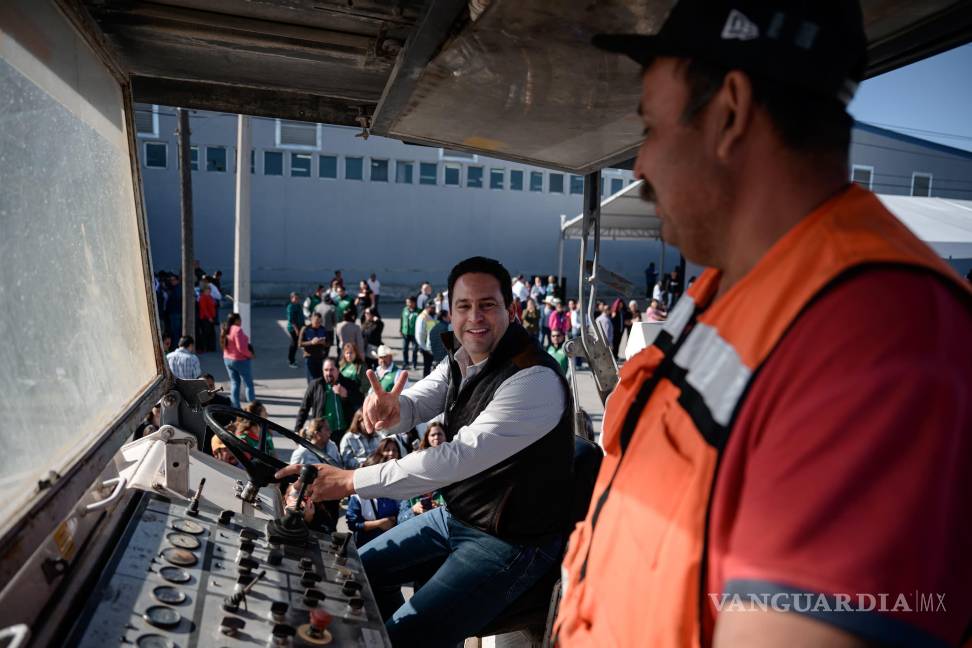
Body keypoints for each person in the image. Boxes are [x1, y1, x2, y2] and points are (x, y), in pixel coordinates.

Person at [555, 3, 972, 647]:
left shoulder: (878, 335)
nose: (639, 165)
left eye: (651, 129)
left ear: (730, 112)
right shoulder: (727, 288)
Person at [275, 256, 573, 646]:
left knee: (403, 637)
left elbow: (455, 458)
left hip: (512, 541)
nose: (474, 317)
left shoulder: (534, 379)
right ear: (450, 312)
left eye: (487, 305)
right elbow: (416, 404)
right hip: (459, 515)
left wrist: (351, 481)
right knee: (353, 572)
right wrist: (391, 411)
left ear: (512, 310)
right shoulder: (463, 359)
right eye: (464, 306)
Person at [345, 438, 401, 547]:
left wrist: (397, 519)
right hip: (367, 544)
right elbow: (353, 524)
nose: (391, 453)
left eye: (395, 450)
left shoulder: (396, 488)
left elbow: (403, 511)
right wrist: (379, 524)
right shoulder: (358, 496)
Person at [294, 357, 354, 444]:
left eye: (331, 370)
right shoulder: (315, 385)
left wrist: (346, 395)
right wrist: (297, 429)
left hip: (343, 433)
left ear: (338, 370)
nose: (328, 373)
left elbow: (359, 403)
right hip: (321, 434)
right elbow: (304, 408)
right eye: (326, 370)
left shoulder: (348, 384)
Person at [397, 422, 448, 523]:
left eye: (439, 434)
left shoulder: (446, 486)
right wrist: (413, 510)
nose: (436, 437)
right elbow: (399, 520)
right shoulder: (409, 491)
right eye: (433, 434)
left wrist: (441, 509)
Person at [221, 313, 254, 408]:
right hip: (239, 359)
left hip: (227, 358)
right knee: (248, 383)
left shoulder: (226, 329)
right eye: (239, 320)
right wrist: (249, 355)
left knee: (235, 382)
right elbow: (241, 348)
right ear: (236, 320)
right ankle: (252, 406)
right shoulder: (237, 330)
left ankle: (235, 406)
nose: (241, 322)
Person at [298, 312, 329, 383]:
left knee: (320, 379)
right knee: (312, 380)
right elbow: (300, 344)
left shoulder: (323, 329)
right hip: (310, 358)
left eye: (320, 321)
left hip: (320, 357)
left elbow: (329, 343)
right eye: (316, 321)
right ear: (311, 320)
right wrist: (311, 342)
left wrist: (324, 343)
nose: (318, 323)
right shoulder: (305, 329)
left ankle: (318, 393)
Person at [338, 342, 368, 413]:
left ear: (356, 353)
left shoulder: (361, 366)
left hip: (356, 400)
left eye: (351, 353)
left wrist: (357, 393)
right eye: (347, 353)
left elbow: (366, 385)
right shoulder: (342, 365)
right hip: (343, 399)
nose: (349, 355)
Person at [414, 301, 437, 377]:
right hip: (427, 348)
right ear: (427, 308)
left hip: (433, 346)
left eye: (434, 308)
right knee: (427, 367)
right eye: (432, 308)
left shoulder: (432, 315)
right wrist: (426, 348)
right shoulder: (422, 317)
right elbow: (419, 335)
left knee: (435, 367)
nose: (434, 309)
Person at [399, 296, 418, 370]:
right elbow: (401, 319)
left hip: (415, 334)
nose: (408, 304)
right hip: (405, 333)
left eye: (409, 302)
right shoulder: (405, 309)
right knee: (404, 349)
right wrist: (400, 329)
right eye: (407, 302)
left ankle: (414, 363)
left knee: (414, 349)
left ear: (414, 303)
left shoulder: (419, 311)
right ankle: (405, 363)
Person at [197, 285, 217, 352]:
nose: (209, 291)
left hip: (211, 317)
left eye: (209, 290)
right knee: (205, 333)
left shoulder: (210, 297)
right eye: (207, 290)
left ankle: (210, 347)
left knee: (210, 333)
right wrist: (209, 317)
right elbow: (204, 309)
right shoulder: (203, 297)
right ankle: (204, 348)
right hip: (205, 318)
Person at [285, 292, 302, 368]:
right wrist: (296, 330)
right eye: (295, 298)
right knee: (294, 344)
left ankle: (290, 358)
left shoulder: (298, 305)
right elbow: (291, 320)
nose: (297, 299)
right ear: (291, 298)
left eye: (298, 298)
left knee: (294, 343)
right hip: (293, 328)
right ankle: (291, 361)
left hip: (299, 327)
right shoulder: (290, 307)